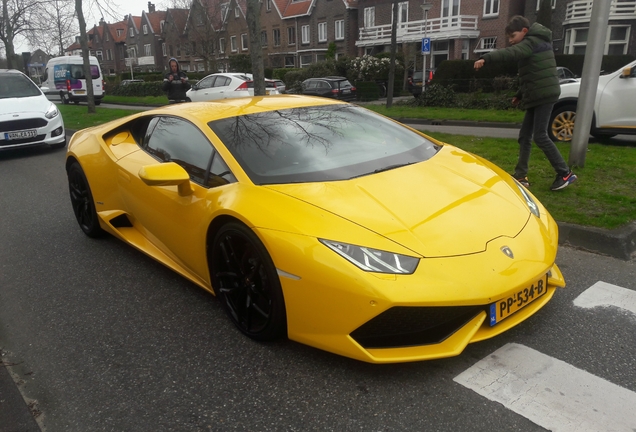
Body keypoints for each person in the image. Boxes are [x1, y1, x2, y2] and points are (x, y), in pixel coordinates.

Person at [474, 16, 577, 191]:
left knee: (540, 135)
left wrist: (486, 58)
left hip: (543, 95)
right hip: (538, 93)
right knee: (525, 136)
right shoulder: (535, 43)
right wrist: (520, 95)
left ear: (524, 31)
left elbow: (509, 53)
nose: (511, 41)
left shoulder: (530, 42)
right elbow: (533, 74)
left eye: (513, 36)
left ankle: (565, 173)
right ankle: (521, 175)